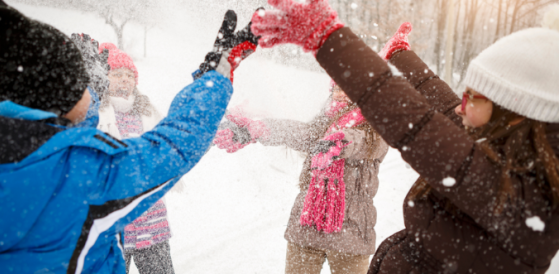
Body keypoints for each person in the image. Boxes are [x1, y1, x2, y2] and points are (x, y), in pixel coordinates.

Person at [251, 1, 559, 273]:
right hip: (310, 227)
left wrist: (328, 38)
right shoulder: (500, 149)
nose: (460, 109)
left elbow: (415, 124)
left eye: (473, 98)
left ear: (515, 114)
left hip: (349, 235)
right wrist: (401, 57)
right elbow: (445, 106)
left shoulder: (525, 196)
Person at [0, 1, 259, 273]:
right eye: (84, 84)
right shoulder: (84, 173)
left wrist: (90, 92)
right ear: (63, 99)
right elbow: (175, 143)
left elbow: (53, 138)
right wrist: (216, 75)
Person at [215, 83, 388, 274]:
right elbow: (298, 132)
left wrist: (340, 141)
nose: (340, 94)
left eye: (348, 89)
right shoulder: (322, 126)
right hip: (307, 226)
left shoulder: (376, 130)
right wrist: (259, 129)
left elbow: (361, 141)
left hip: (350, 235)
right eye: (336, 89)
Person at [96, 42, 173, 274]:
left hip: (152, 220)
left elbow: (168, 148)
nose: (124, 80)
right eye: (117, 74)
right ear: (104, 78)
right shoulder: (96, 112)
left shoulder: (148, 111)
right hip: (114, 225)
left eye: (129, 75)